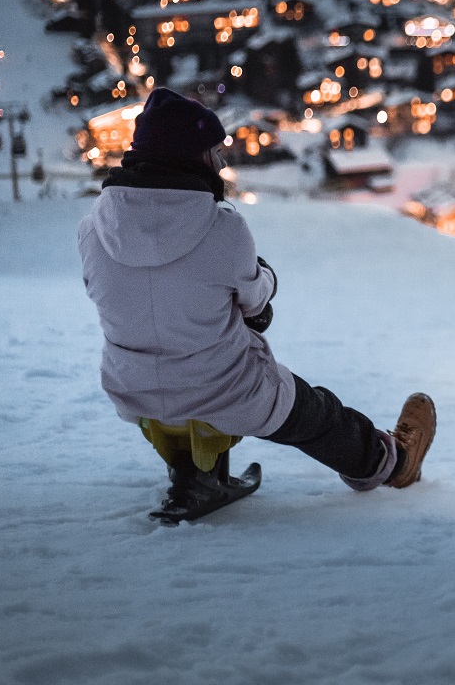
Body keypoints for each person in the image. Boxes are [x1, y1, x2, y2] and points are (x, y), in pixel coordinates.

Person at [78, 86, 435, 493]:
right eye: (214, 152)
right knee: (317, 414)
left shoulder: (92, 228)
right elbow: (256, 301)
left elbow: (109, 294)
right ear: (194, 156)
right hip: (224, 391)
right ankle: (391, 463)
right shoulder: (222, 228)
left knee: (190, 363)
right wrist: (264, 276)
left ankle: (193, 472)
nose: (220, 162)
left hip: (133, 389)